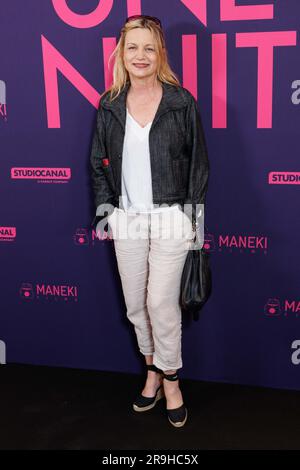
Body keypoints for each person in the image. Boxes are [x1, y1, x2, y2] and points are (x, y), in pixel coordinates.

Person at [90, 15, 209, 428]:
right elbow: (97, 165)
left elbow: (199, 166)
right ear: (121, 54)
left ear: (160, 55)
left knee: (161, 304)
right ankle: (152, 371)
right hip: (127, 220)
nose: (140, 56)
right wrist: (110, 213)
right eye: (132, 47)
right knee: (137, 308)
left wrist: (194, 224)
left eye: (149, 48)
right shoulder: (109, 105)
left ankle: (171, 380)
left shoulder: (180, 101)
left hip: (172, 218)